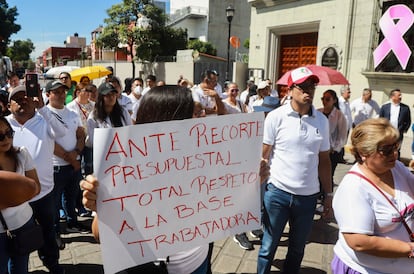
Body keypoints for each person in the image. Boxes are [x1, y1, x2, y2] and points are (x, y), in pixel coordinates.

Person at [81, 85, 209, 274]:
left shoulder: (207, 156)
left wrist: (248, 182)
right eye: (194, 114)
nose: (202, 117)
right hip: (149, 266)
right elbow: (99, 235)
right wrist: (100, 208)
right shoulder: (123, 165)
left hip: (198, 261)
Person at [257, 66, 332, 274]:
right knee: (267, 247)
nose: (309, 90)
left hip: (307, 199)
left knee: (297, 250)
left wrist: (329, 194)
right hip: (278, 194)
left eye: (312, 86)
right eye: (303, 86)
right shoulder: (276, 117)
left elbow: (324, 160)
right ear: (290, 90)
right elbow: (264, 154)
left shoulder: (322, 121)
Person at [331, 118, 414, 273]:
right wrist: (409, 249)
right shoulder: (354, 188)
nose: (395, 153)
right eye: (387, 150)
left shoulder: (397, 168)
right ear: (364, 153)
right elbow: (359, 242)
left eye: (396, 146)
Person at [7, 85, 68, 274]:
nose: (23, 100)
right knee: (15, 237)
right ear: (9, 106)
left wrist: (43, 108)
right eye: (17, 98)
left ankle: (52, 264)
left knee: (48, 233)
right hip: (14, 197)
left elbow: (62, 132)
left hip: (44, 193)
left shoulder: (45, 120)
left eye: (26, 96)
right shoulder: (4, 125)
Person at [45, 80, 89, 239]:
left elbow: (80, 134)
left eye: (63, 91)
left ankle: (72, 223)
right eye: (56, 92)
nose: (61, 95)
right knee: (54, 202)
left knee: (71, 197)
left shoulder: (72, 113)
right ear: (48, 94)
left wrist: (77, 151)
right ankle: (56, 230)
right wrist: (70, 158)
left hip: (73, 165)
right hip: (56, 166)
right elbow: (50, 143)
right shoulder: (44, 114)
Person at [0, 117, 41, 274]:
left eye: (9, 133)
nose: (6, 139)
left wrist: (13, 195)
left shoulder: (21, 153)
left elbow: (36, 187)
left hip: (24, 223)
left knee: (21, 267)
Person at [86, 82, 132, 174]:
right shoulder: (93, 117)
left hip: (123, 156)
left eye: (113, 94)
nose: (111, 97)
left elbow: (130, 131)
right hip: (104, 158)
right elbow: (92, 141)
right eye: (107, 95)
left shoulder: (123, 112)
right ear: (101, 97)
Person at [318, 89, 347, 185]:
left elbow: (342, 135)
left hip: (331, 152)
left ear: (334, 100)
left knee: (328, 175)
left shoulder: (339, 115)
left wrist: (335, 148)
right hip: (318, 150)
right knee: (316, 175)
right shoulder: (317, 113)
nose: (324, 101)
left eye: (327, 99)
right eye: (323, 98)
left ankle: (326, 195)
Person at [338, 86, 352, 163]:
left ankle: (341, 157)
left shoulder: (347, 103)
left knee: (343, 142)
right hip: (341, 126)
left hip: (347, 126)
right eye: (348, 92)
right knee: (340, 142)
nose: (349, 94)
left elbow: (348, 114)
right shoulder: (339, 102)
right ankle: (339, 157)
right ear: (343, 92)